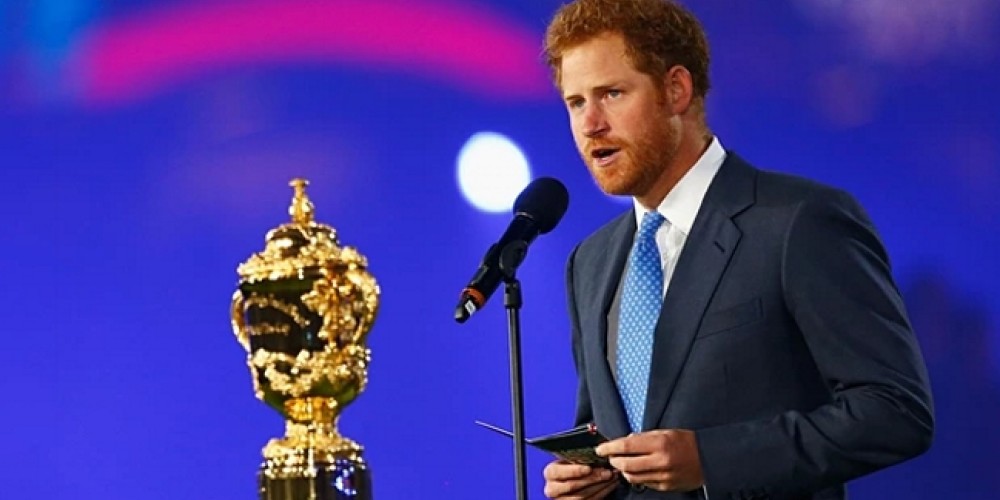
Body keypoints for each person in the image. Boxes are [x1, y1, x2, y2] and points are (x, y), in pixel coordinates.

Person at [540, 1, 934, 498]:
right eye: (575, 103)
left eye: (612, 94)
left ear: (676, 90)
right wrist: (586, 477)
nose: (590, 123)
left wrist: (712, 461)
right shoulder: (589, 262)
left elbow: (896, 411)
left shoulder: (797, 221)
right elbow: (605, 431)